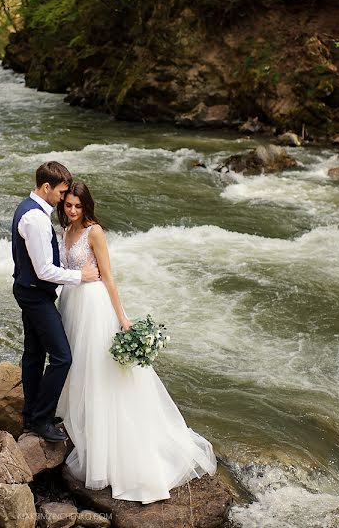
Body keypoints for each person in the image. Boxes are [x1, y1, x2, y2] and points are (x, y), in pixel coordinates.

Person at [55, 181, 217, 504]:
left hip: (94, 308)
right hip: (71, 304)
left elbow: (109, 277)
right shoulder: (65, 231)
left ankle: (110, 447)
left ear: (87, 206)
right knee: (77, 368)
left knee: (100, 372)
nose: (72, 211)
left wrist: (122, 318)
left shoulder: (94, 233)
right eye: (68, 206)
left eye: (77, 206)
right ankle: (83, 429)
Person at [12, 162, 101, 443]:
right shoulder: (36, 219)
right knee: (62, 357)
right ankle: (41, 420)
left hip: (29, 289)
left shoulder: (28, 208)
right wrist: (81, 275)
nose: (64, 199)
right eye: (62, 193)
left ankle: (30, 414)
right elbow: (44, 271)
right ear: (47, 187)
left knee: (34, 354)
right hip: (36, 294)